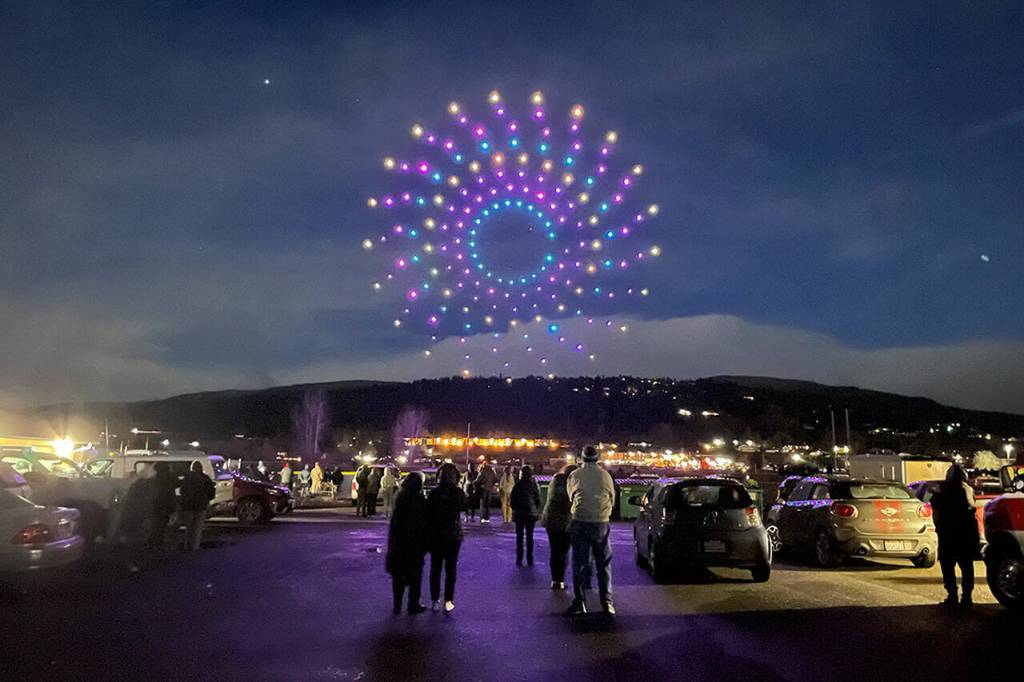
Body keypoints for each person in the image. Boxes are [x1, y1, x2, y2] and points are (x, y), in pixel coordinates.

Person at [566, 446, 616, 616]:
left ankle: (580, 602)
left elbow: (571, 496)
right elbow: (612, 498)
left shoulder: (575, 475)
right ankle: (607, 603)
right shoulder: (605, 475)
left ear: (582, 458)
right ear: (597, 458)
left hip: (580, 521)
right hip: (601, 522)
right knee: (604, 563)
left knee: (579, 563)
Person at [931, 464, 979, 607]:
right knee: (966, 566)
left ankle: (952, 595)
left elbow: (936, 504)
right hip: (965, 533)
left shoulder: (944, 489)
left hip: (948, 532)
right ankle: (967, 597)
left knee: (948, 565)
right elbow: (972, 507)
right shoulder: (968, 489)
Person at [426, 463, 467, 613]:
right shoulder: (458, 493)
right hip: (453, 534)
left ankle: (435, 600)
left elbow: (428, 512)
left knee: (435, 568)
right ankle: (448, 600)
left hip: (436, 534)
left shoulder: (434, 493)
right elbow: (466, 506)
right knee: (451, 569)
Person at [386, 472, 428, 614]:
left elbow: (395, 522)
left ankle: (397, 605)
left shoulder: (400, 496)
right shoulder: (418, 499)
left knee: (398, 575)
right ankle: (413, 604)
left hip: (399, 542)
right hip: (414, 543)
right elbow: (423, 521)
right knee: (415, 576)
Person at [116, 464, 158, 572]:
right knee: (135, 541)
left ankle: (130, 562)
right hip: (137, 516)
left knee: (131, 540)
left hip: (131, 515)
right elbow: (147, 502)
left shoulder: (135, 485)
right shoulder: (146, 487)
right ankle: (131, 562)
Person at [541, 472, 572, 589]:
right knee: (563, 552)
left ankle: (555, 580)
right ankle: (561, 580)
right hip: (565, 524)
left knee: (555, 551)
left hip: (551, 522)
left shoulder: (555, 483)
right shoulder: (569, 487)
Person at [178, 461, 215, 551]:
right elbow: (211, 493)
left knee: (189, 527)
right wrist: (205, 499)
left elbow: (182, 491)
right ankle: (195, 546)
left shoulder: (187, 478)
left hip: (188, 506)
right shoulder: (205, 478)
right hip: (201, 506)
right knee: (197, 528)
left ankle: (187, 545)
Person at [510, 465, 542, 567]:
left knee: (519, 537)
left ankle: (519, 558)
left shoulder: (517, 485)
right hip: (530, 514)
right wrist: (535, 509)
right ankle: (530, 558)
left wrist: (515, 509)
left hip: (519, 514)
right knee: (530, 536)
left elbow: (512, 500)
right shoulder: (533, 485)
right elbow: (538, 500)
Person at [148, 462, 178, 549]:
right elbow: (178, 483)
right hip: (167, 504)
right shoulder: (170, 477)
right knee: (162, 524)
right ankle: (158, 541)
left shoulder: (155, 478)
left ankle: (153, 541)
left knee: (156, 523)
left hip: (157, 504)